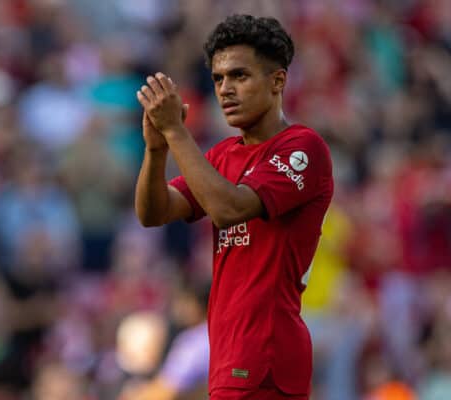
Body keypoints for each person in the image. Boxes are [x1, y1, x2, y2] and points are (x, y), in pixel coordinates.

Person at [134, 14, 334, 400]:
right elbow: (153, 213)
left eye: (239, 76)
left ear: (277, 81)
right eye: (218, 79)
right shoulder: (222, 155)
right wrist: (157, 149)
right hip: (229, 355)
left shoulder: (302, 148)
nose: (225, 89)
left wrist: (176, 130)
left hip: (267, 356)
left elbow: (228, 209)